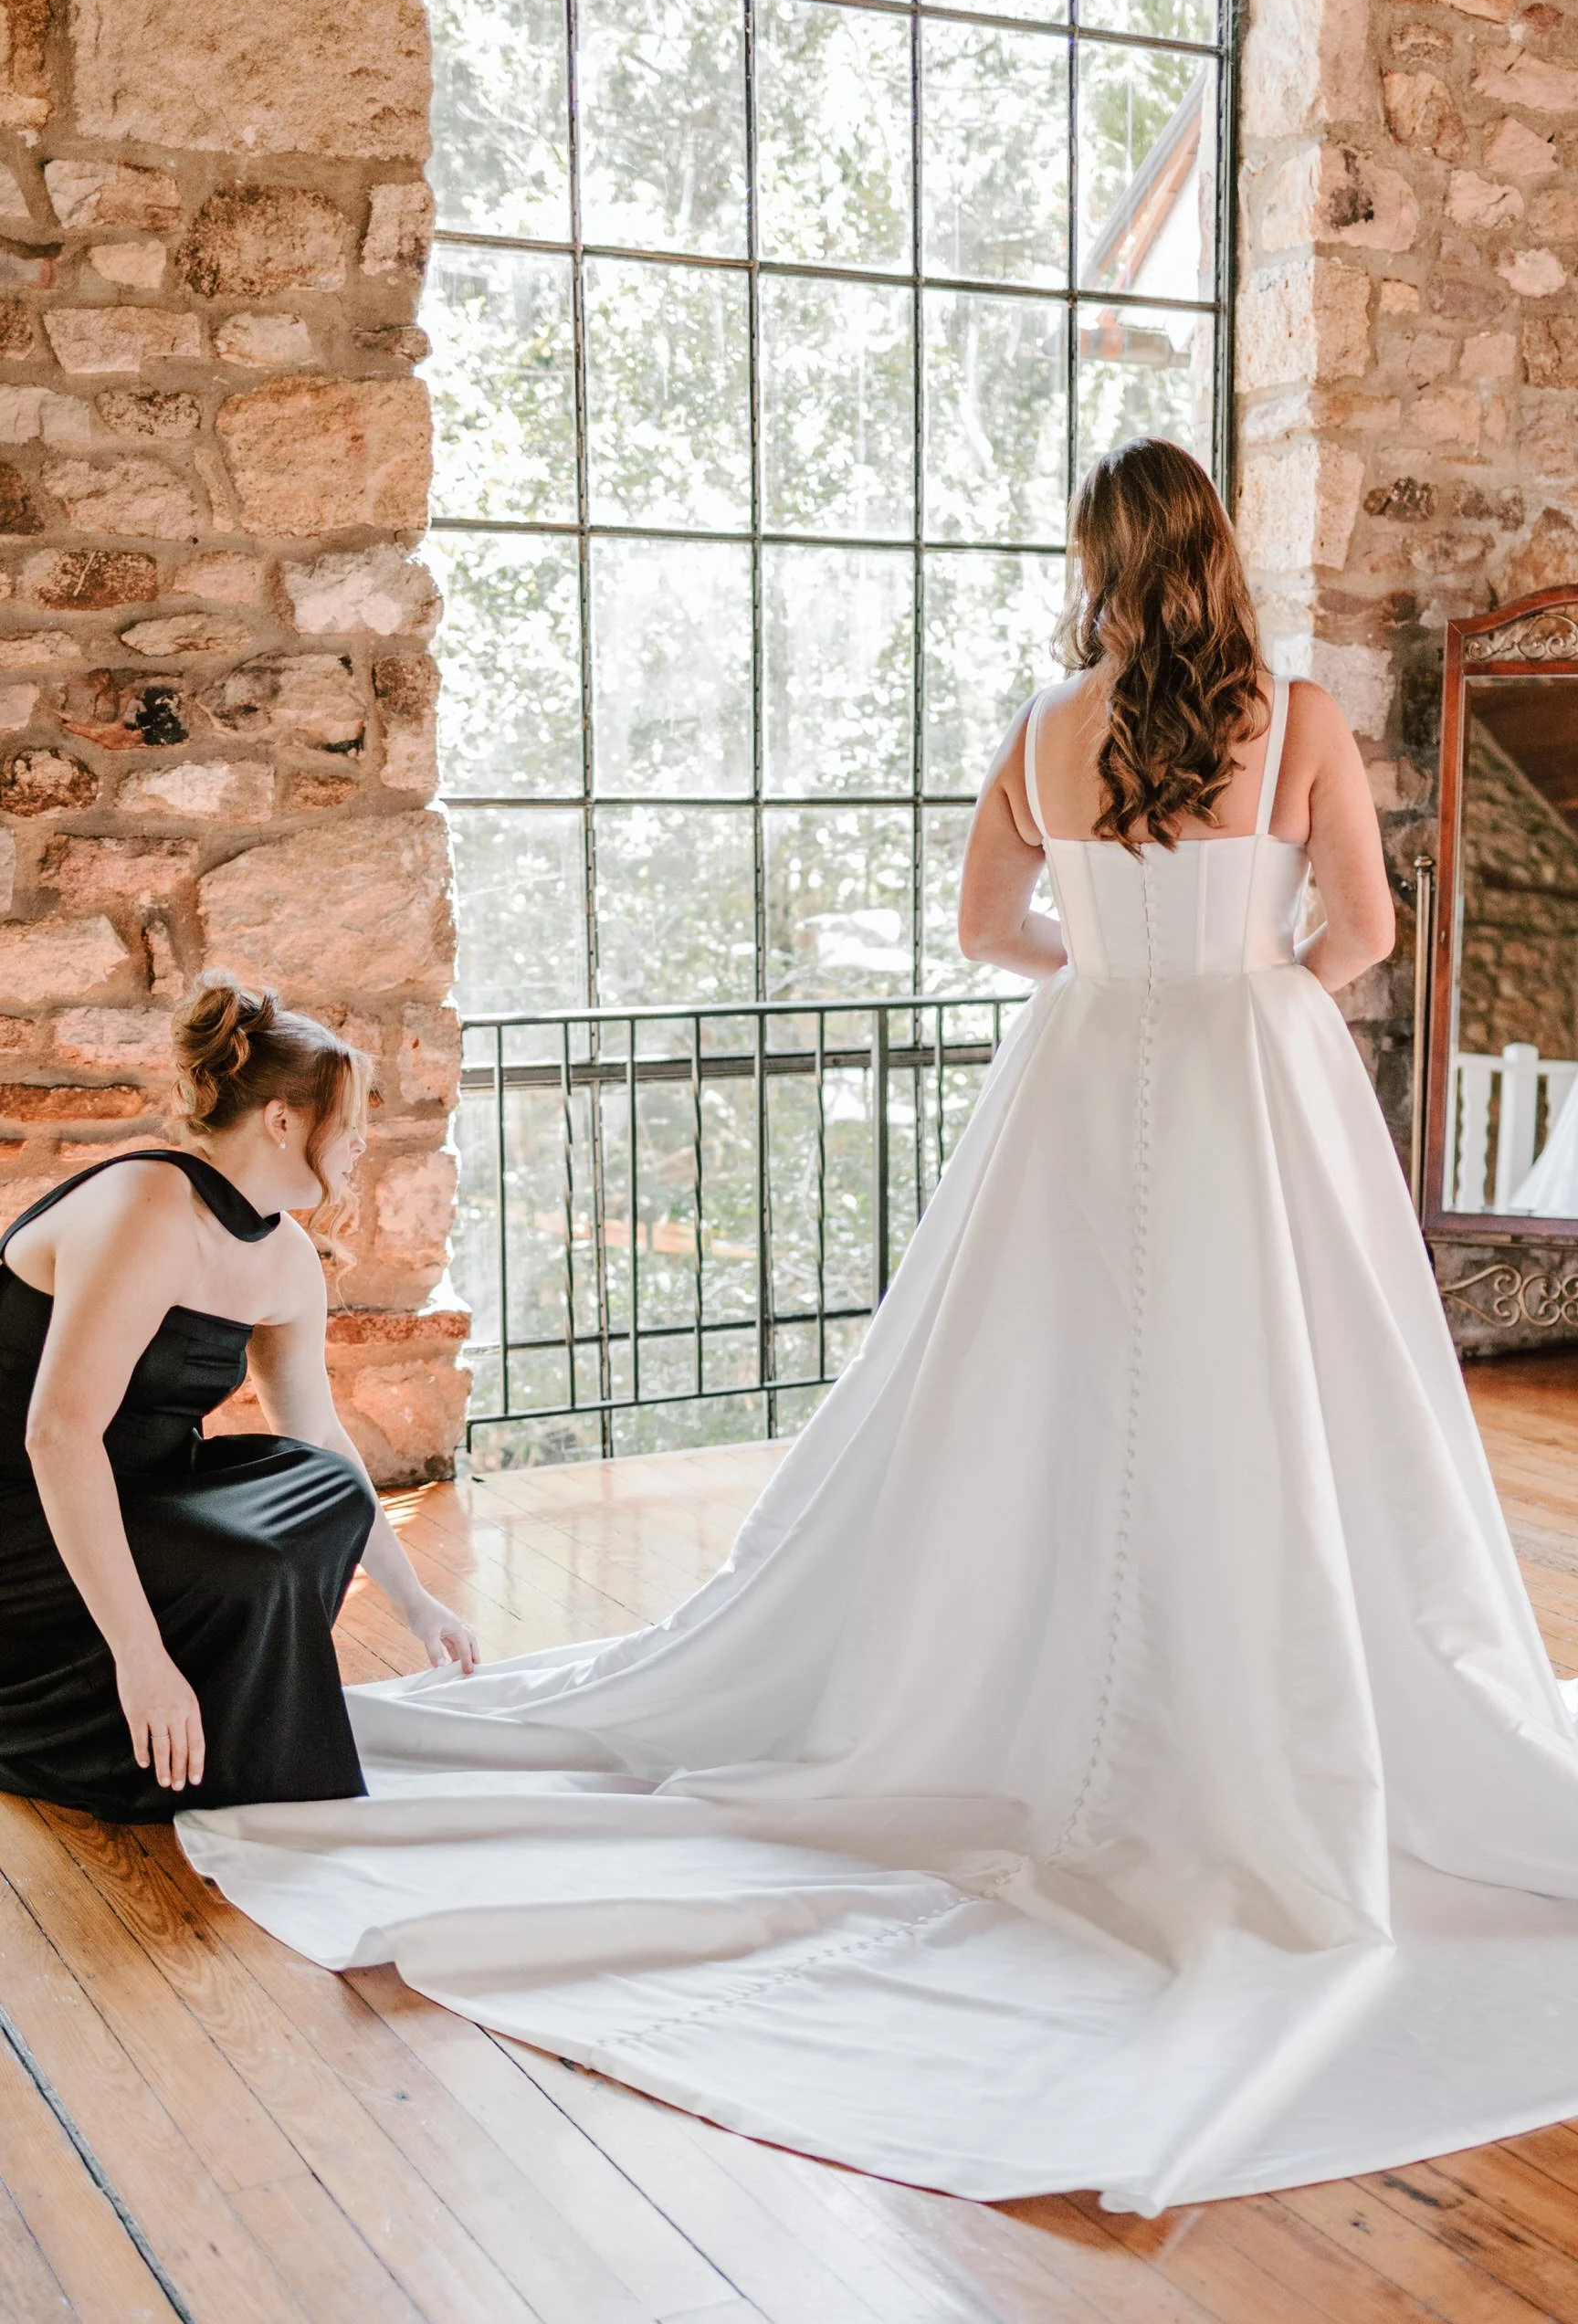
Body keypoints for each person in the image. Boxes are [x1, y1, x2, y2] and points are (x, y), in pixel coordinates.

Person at [181, 441, 1578, 2216]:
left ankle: (1027, 1703)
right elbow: (1365, 931)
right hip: (1252, 1087)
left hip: (1080, 1093)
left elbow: (992, 922)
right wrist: (1251, 1019)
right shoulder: (1293, 715)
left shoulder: (1045, 727)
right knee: (1281, 1414)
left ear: (1100, 561)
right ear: (1216, 553)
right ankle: (1274, 1720)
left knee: (1045, 1409)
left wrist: (1120, 992)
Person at [0, 976, 477, 1821]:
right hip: (28, 1509)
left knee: (328, 1491)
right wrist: (141, 1657)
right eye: (350, 1119)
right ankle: (119, 1705)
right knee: (247, 1559)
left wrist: (416, 1602)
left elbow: (319, 1434)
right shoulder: (147, 1203)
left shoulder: (285, 1255)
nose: (362, 1142)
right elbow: (57, 1435)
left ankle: (213, 1709)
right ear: (284, 1118)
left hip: (141, 1491)